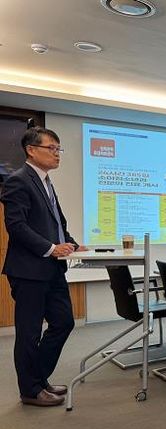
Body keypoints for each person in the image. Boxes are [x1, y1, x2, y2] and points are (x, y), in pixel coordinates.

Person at [1, 127, 87, 407]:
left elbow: (56, 223)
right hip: (29, 271)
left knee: (64, 322)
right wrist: (51, 248)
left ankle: (37, 379)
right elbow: (16, 226)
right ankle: (30, 390)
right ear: (31, 150)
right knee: (29, 332)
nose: (57, 154)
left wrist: (72, 244)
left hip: (52, 269)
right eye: (52, 148)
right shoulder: (18, 181)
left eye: (59, 148)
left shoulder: (46, 182)